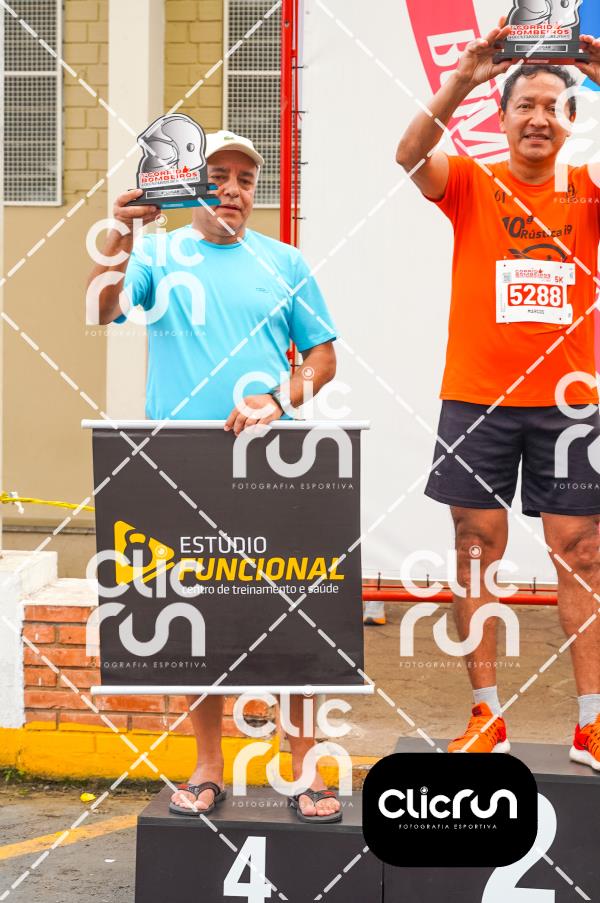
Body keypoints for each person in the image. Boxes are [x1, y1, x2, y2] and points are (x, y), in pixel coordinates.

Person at [87, 129, 342, 820]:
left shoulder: (285, 262)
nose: (232, 189)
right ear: (190, 185)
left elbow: (322, 359)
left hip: (273, 462)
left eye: (245, 180)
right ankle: (207, 765)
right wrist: (122, 231)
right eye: (218, 177)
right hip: (183, 463)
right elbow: (103, 308)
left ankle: (305, 769)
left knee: (291, 616)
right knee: (196, 617)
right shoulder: (157, 253)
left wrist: (278, 398)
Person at [396, 21, 600, 767]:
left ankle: (591, 722)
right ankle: (486, 714)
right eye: (525, 106)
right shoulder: (472, 182)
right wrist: (465, 77)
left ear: (569, 120)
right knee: (475, 550)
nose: (538, 118)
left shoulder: (586, 190)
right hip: (477, 398)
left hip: (571, 403)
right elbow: (408, 155)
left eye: (553, 106)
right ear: (505, 116)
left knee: (583, 555)